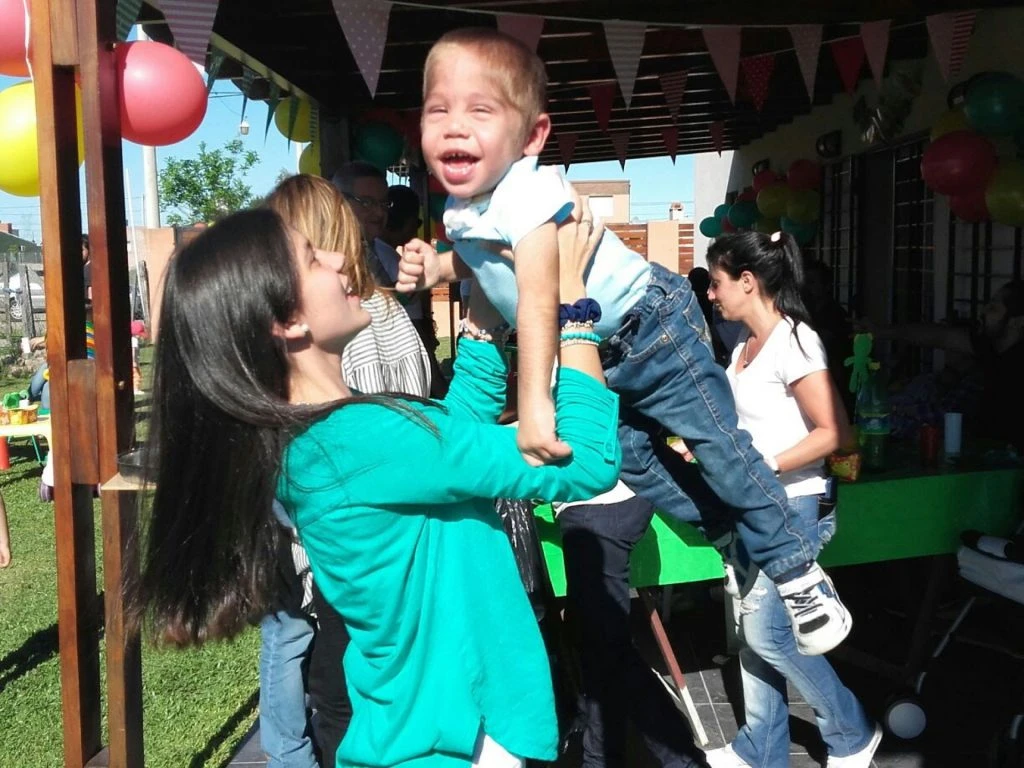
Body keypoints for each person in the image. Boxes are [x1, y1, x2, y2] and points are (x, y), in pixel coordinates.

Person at [399, 26, 850, 655]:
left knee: (716, 443)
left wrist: (536, 407)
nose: (453, 126)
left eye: (480, 109)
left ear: (531, 137)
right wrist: (438, 267)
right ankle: (726, 529)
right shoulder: (460, 210)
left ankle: (797, 567)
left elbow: (535, 295)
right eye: (437, 108)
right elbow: (479, 261)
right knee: (632, 460)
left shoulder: (529, 188)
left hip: (653, 328)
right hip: (602, 354)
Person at [124, 206, 621, 768]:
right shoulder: (357, 439)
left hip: (421, 733)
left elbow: (454, 436)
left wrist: (480, 302)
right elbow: (585, 461)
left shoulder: (324, 435)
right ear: (287, 323)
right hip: (460, 743)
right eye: (313, 258)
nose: (341, 258)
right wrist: (575, 306)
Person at [263, 174, 436, 767]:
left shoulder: (336, 336)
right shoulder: (387, 312)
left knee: (339, 699)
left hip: (356, 571)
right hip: (409, 553)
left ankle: (289, 756)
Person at [700, 231, 881, 768]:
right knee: (756, 634)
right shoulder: (742, 348)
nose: (711, 294)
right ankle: (762, 747)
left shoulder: (796, 342)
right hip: (759, 506)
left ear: (749, 283)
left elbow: (833, 433)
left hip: (796, 503)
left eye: (717, 283)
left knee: (767, 631)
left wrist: (762, 465)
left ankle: (851, 731)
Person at [557, 489, 705, 768]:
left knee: (608, 650)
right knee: (596, 645)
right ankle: (605, 757)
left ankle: (680, 758)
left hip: (597, 505)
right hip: (606, 501)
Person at [870, 280, 1024, 452]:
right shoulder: (990, 348)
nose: (983, 312)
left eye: (994, 308)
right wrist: (880, 332)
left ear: (1016, 322)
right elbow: (941, 337)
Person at [378, 184, 448, 397]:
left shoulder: (383, 252)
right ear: (400, 221)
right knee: (429, 385)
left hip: (412, 326)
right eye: (416, 223)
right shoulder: (387, 256)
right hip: (409, 328)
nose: (415, 229)